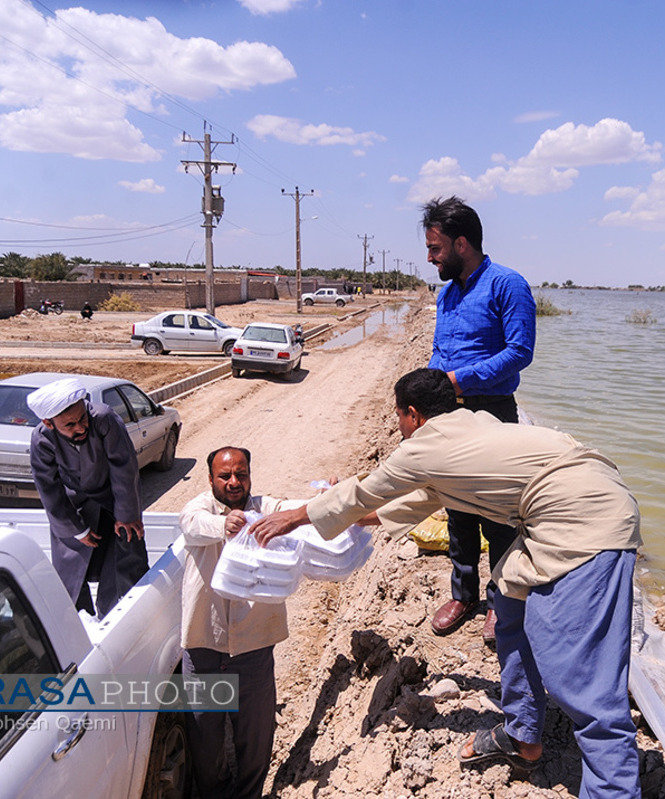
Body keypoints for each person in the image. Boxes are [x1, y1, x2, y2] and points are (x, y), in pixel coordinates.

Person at [250, 369, 643, 798]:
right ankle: (523, 733)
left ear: (413, 415)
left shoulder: (424, 448)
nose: (398, 425)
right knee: (509, 603)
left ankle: (613, 789)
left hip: (585, 518)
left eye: (398, 416)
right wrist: (339, 516)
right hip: (570, 503)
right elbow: (417, 499)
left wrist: (292, 517)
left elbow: (365, 492)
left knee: (582, 677)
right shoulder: (470, 425)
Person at [421, 195, 536, 643]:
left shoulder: (508, 285)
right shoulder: (447, 294)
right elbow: (439, 351)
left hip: (492, 412)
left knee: (499, 515)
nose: (431, 258)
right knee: (458, 510)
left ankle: (500, 601)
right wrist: (431, 390)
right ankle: (463, 593)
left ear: (462, 243)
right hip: (450, 413)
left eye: (436, 249)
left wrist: (457, 380)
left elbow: (518, 354)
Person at [179, 446, 286, 799]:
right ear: (211, 479)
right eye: (225, 476)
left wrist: (324, 498)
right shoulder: (201, 511)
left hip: (253, 647)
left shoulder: (264, 509)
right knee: (205, 740)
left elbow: (294, 511)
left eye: (241, 474)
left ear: (250, 476)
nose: (233, 482)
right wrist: (223, 525)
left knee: (254, 738)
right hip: (205, 646)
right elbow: (192, 525)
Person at [27, 377, 147, 618]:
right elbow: (49, 490)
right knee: (71, 574)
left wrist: (127, 514)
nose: (80, 428)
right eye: (69, 425)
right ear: (48, 423)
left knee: (124, 563)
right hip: (73, 509)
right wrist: (76, 529)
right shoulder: (42, 439)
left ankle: (116, 618)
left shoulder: (104, 418)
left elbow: (124, 468)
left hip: (114, 502)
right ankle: (77, 621)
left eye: (82, 419)